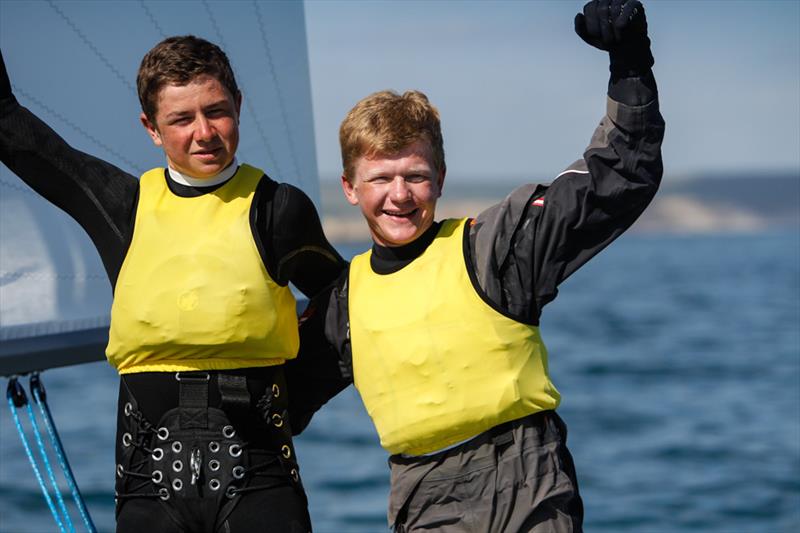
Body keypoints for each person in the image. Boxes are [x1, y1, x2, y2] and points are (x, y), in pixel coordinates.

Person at [294, 1, 664, 531]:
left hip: (529, 481)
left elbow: (622, 175)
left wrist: (629, 63)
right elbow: (273, 407)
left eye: (415, 176)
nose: (399, 196)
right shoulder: (342, 305)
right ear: (350, 188)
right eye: (380, 179)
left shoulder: (497, 244)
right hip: (423, 499)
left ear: (440, 179)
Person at [0, 36, 345, 532]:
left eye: (217, 111)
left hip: (261, 480)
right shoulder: (123, 208)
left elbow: (350, 303)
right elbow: (14, 134)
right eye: (182, 119)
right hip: (147, 486)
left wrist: (299, 397)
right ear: (152, 129)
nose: (204, 132)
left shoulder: (278, 210)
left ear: (239, 107)